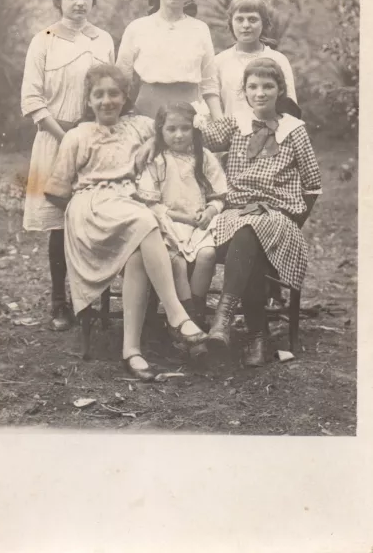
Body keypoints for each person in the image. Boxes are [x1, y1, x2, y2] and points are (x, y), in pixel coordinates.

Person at [44, 64, 208, 381]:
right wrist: (88, 208)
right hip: (91, 208)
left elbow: (181, 132)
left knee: (137, 256)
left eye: (114, 93)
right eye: (99, 94)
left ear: (125, 96)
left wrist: (156, 144)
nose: (107, 101)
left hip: (132, 208)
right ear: (88, 100)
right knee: (145, 218)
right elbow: (55, 190)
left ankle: (130, 351)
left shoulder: (141, 126)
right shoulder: (77, 135)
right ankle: (177, 314)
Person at [199, 58, 321, 367]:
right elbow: (200, 138)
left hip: (277, 217)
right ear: (244, 91)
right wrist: (191, 117)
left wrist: (292, 222)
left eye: (268, 86)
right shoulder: (236, 122)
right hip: (234, 215)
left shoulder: (294, 130)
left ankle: (223, 320)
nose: (260, 92)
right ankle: (256, 334)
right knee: (246, 231)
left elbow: (312, 185)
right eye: (253, 86)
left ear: (280, 89)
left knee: (253, 227)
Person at [21, 0, 115, 332]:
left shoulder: (103, 39)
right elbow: (32, 98)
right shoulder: (43, 40)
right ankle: (59, 301)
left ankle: (86, 299)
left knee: (90, 221)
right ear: (58, 0)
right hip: (55, 136)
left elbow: (110, 90)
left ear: (93, 0)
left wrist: (94, 135)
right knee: (60, 226)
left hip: (93, 138)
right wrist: (66, 138)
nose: (80, 2)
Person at [136, 102, 227, 341]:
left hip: (200, 225)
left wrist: (210, 211)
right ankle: (186, 317)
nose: (178, 135)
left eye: (185, 128)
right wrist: (181, 217)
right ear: (161, 131)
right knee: (176, 261)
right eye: (172, 129)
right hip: (169, 224)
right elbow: (150, 203)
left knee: (207, 254)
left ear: (194, 130)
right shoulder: (156, 160)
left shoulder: (204, 157)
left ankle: (195, 311)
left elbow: (219, 196)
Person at [116, 0, 223, 121]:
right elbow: (121, 81)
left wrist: (220, 123)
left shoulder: (200, 29)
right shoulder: (137, 28)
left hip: (190, 116)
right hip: (148, 114)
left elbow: (209, 85)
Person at [214, 0, 298, 119]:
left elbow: (290, 106)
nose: (246, 25)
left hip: (272, 135)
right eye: (239, 19)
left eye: (252, 19)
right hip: (232, 135)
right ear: (231, 23)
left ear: (263, 23)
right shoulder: (219, 62)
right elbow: (214, 109)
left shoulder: (278, 59)